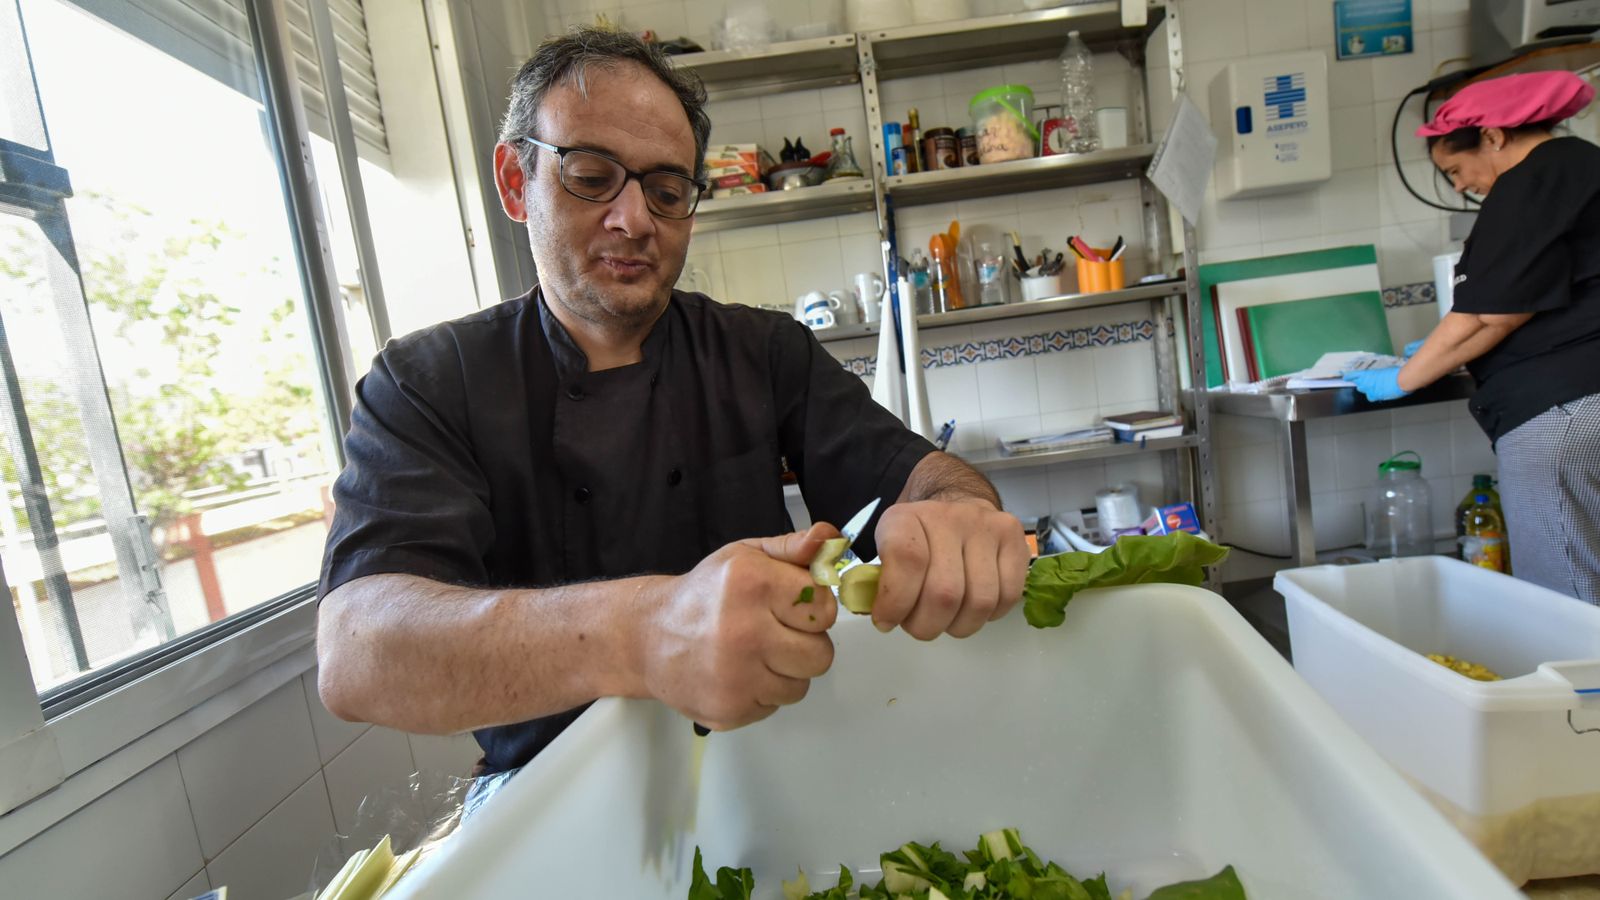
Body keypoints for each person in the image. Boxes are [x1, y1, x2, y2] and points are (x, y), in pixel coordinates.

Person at [314, 27, 1030, 778]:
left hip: (765, 764)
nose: (635, 221)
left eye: (665, 191)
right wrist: (643, 633)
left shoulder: (762, 352)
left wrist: (961, 511)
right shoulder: (428, 381)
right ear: (515, 183)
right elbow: (358, 652)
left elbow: (919, 476)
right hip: (548, 796)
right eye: (592, 175)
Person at [1343, 70, 1600, 601]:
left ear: (1493, 135)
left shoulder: (1527, 183)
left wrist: (1407, 376)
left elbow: (1491, 315)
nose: (1460, 186)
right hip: (1586, 399)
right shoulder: (1584, 165)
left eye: (1456, 169)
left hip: (1564, 415)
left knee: (1571, 599)